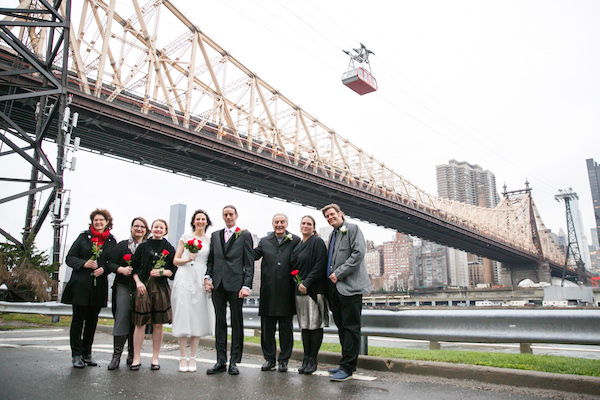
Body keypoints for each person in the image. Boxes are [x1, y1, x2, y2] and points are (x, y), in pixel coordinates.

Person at [321, 203, 372, 381]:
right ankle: (345, 363)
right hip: (334, 289)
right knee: (342, 328)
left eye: (332, 214)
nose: (330, 218)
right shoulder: (332, 235)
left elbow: (358, 253)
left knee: (351, 328)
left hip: (350, 287)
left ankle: (348, 368)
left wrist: (339, 273)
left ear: (340, 213)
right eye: (327, 216)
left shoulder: (352, 229)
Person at [62, 208, 117, 368]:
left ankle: (87, 353)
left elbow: (111, 262)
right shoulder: (83, 237)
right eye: (96, 220)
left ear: (107, 222)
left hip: (98, 286)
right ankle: (76, 355)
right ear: (92, 222)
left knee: (92, 321)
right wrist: (84, 263)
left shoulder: (111, 241)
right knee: (78, 320)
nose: (98, 222)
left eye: (102, 220)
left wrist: (104, 269)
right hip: (81, 284)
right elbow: (70, 258)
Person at [204, 205, 254, 375]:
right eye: (225, 214)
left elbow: (249, 262)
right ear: (223, 216)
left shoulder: (245, 235)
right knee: (219, 322)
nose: (228, 217)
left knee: (236, 322)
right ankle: (220, 361)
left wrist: (246, 285)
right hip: (217, 284)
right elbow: (211, 260)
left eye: (231, 214)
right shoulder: (215, 235)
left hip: (236, 284)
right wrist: (208, 277)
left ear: (236, 216)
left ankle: (234, 361)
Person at [254, 213, 300, 373]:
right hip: (268, 290)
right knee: (267, 329)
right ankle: (269, 359)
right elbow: (253, 255)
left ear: (287, 224)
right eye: (276, 222)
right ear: (272, 224)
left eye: (282, 222)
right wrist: (243, 240)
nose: (279, 225)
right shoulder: (265, 241)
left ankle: (284, 360)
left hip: (287, 291)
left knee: (286, 329)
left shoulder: (295, 240)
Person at [172, 209, 215, 373]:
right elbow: (175, 260)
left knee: (197, 315)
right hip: (185, 276)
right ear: (193, 221)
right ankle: (182, 357)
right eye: (197, 219)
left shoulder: (210, 241)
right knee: (183, 314)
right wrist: (187, 259)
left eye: (203, 219)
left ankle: (193, 356)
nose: (200, 222)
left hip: (200, 278)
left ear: (207, 222)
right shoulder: (185, 238)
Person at [130, 219, 176, 371]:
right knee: (140, 323)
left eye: (161, 227)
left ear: (165, 230)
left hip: (161, 288)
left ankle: (155, 358)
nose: (158, 229)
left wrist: (162, 272)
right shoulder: (143, 246)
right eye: (156, 227)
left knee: (158, 324)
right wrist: (139, 283)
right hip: (143, 288)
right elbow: (134, 268)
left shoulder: (169, 248)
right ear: (152, 229)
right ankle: (136, 358)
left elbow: (173, 271)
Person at [106, 217, 149, 370]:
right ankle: (116, 356)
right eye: (136, 226)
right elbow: (110, 263)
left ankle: (132, 354)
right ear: (131, 228)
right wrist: (120, 269)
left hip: (141, 288)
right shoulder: (122, 245)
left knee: (136, 321)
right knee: (122, 318)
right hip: (123, 286)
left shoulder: (148, 246)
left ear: (146, 230)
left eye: (142, 227)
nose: (139, 229)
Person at [290, 215, 329, 375]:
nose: (305, 226)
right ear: (300, 226)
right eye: (303, 223)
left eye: (309, 224)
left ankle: (313, 359)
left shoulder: (317, 242)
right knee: (305, 327)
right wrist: (299, 283)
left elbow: (321, 264)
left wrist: (307, 283)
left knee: (315, 326)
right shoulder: (298, 244)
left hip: (314, 291)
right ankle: (306, 358)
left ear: (313, 227)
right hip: (300, 292)